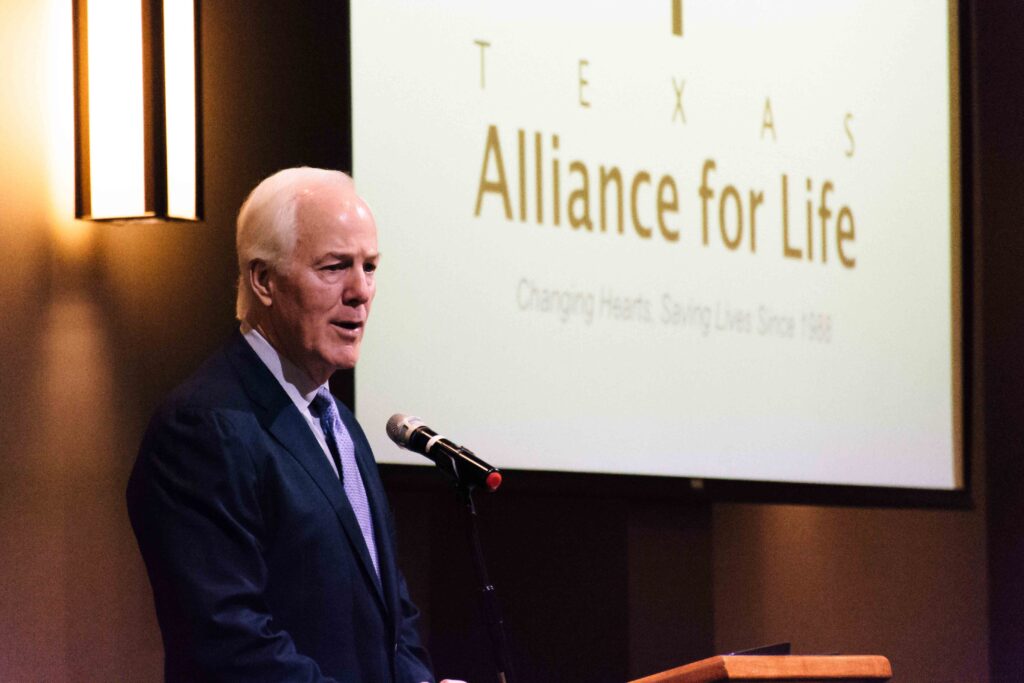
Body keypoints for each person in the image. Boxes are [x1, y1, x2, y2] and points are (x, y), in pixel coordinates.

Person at [127, 168, 457, 682]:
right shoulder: (203, 429)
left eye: (370, 267)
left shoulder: (341, 424)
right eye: (334, 267)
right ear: (263, 280)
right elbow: (232, 646)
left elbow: (396, 618)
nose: (360, 291)